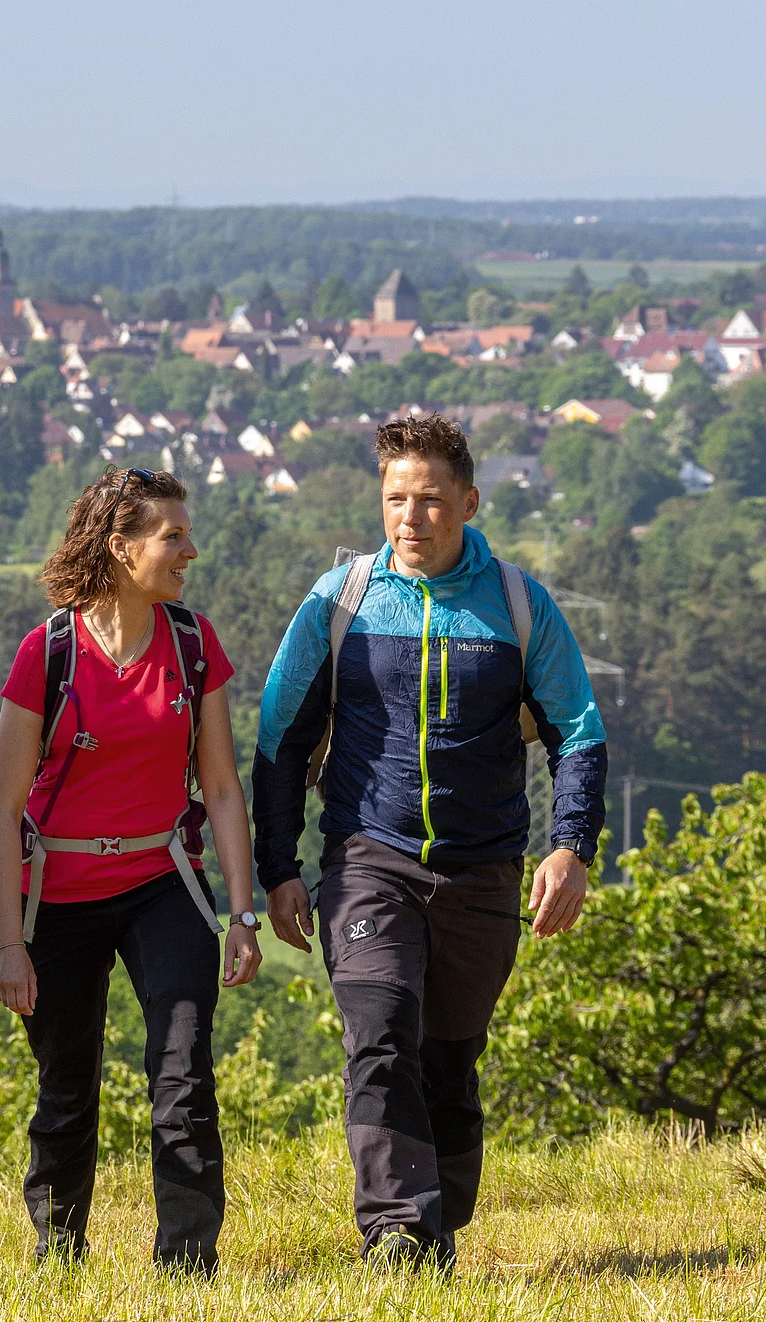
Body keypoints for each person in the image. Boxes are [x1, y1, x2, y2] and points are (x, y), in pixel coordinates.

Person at [252, 413, 606, 1270]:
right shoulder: (337, 602)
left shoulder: (520, 604)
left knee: (449, 1050)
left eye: (431, 500)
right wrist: (280, 870)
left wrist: (571, 847)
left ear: (470, 502)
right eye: (394, 499)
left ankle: (439, 1202)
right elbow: (277, 739)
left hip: (484, 867)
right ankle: (400, 1233)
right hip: (368, 855)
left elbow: (579, 731)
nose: (410, 518)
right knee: (380, 1031)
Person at [0, 467, 262, 1275]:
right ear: (121, 546)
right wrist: (10, 943)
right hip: (59, 897)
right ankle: (58, 1256)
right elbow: (4, 811)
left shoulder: (190, 642)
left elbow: (218, 786)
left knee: (184, 1071)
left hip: (162, 883)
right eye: (172, 536)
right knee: (66, 1086)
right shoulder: (49, 652)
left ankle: (186, 1264)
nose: (189, 550)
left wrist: (240, 915)